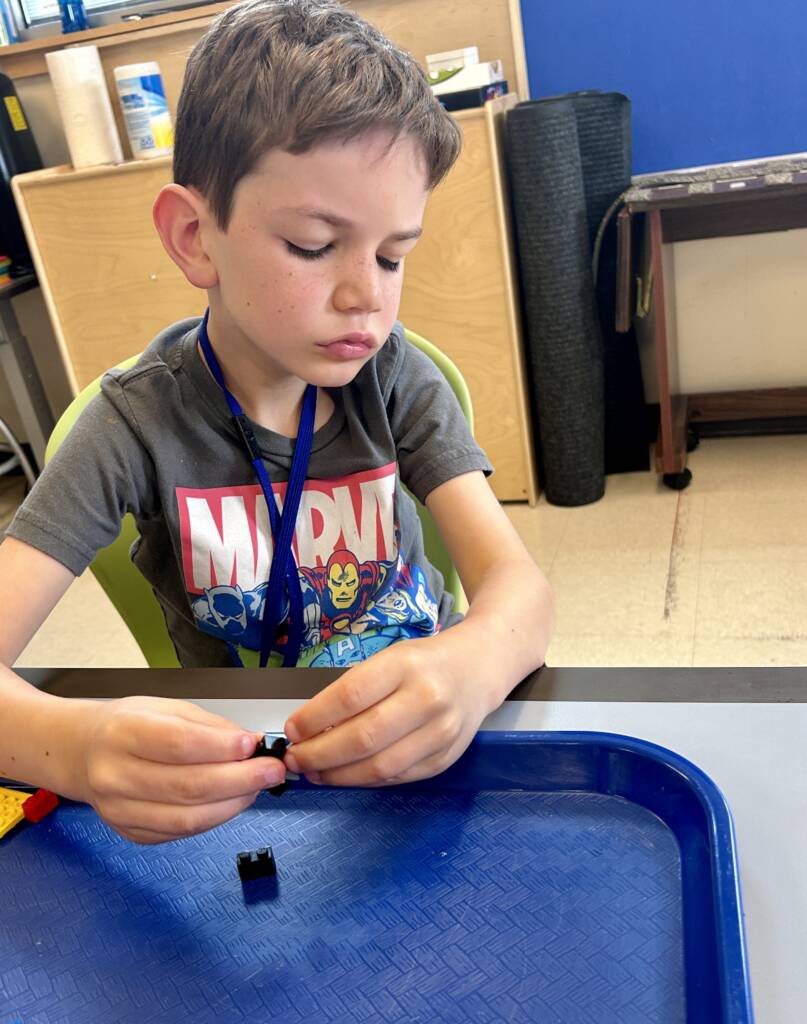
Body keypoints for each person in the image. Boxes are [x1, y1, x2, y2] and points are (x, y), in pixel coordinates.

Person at [0, 0, 553, 845]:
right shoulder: (132, 424)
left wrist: (473, 667)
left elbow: (520, 591)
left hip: (423, 752)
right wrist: (75, 747)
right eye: (310, 245)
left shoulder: (394, 378)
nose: (366, 295)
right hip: (252, 784)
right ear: (194, 237)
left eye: (392, 255)